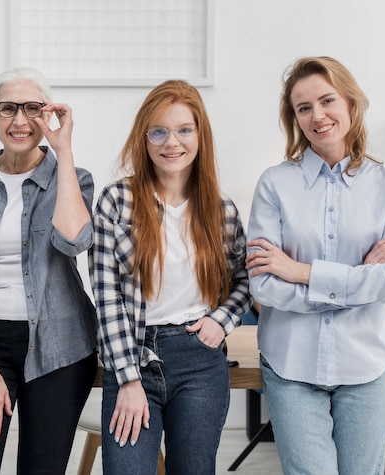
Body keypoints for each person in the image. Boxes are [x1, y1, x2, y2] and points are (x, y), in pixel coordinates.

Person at [246, 56, 385, 475]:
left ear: (351, 104)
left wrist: (302, 272)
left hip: (365, 367)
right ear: (294, 119)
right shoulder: (274, 184)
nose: (317, 115)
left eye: (327, 100)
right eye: (304, 108)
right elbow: (264, 287)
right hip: (291, 367)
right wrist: (358, 281)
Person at [0, 66, 98, 474]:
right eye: (8, 109)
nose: (20, 121)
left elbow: (75, 240)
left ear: (48, 115)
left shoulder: (74, 178)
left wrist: (64, 151)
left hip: (57, 342)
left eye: (32, 109)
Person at [91, 79, 251, 474]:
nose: (171, 142)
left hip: (198, 360)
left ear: (200, 136)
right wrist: (128, 379)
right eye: (158, 131)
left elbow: (245, 279)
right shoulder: (117, 201)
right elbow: (106, 295)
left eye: (183, 130)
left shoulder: (221, 210)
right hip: (134, 358)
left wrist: (221, 320)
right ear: (143, 139)